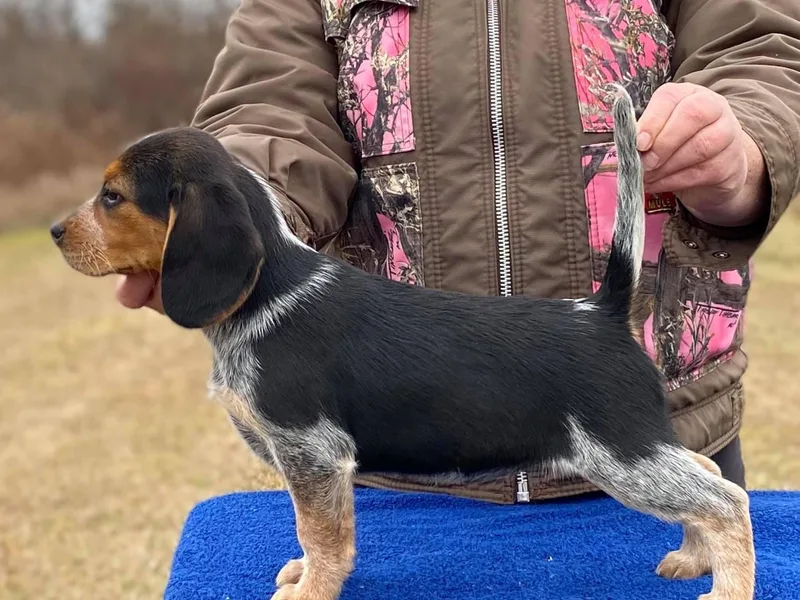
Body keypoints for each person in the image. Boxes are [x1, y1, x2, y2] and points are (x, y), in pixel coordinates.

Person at [117, 0, 800, 504]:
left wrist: (741, 145)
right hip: (392, 454)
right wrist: (238, 217)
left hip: (650, 417)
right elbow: (268, 108)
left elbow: (761, 49)